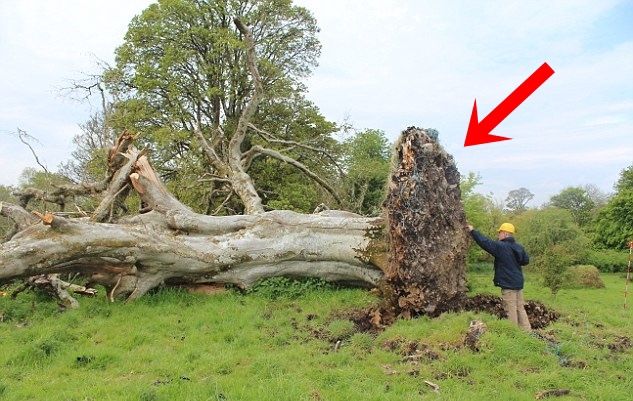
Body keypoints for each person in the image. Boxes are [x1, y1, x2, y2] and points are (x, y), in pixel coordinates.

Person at [466, 223, 532, 331]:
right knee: (520, 307)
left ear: (505, 234)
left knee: (510, 308)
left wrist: (473, 231)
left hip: (508, 283)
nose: (498, 235)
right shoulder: (519, 247)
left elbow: (485, 242)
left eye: (499, 233)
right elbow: (525, 261)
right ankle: (526, 331)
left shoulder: (501, 246)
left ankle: (513, 333)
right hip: (518, 282)